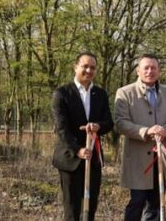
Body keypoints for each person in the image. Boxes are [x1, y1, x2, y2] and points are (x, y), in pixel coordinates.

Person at [115, 53, 166, 221]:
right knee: (136, 201)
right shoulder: (124, 93)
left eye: (154, 68)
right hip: (138, 159)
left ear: (159, 71)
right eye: (146, 68)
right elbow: (121, 123)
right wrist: (146, 131)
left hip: (162, 156)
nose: (150, 71)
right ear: (138, 70)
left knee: (156, 203)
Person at [51, 52, 114, 221]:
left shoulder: (100, 94)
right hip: (70, 159)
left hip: (93, 159)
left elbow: (109, 122)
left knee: (90, 209)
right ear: (75, 67)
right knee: (72, 210)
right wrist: (77, 150)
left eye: (92, 67)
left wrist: (98, 126)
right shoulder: (62, 93)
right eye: (85, 66)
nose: (88, 70)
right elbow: (61, 128)